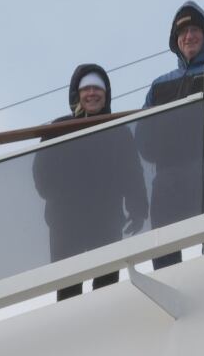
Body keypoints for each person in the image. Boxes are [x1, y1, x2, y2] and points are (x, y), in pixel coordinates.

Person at [32, 64, 148, 301]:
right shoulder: (59, 129)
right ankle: (70, 330)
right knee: (68, 286)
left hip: (105, 218)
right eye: (86, 89)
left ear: (106, 94)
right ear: (77, 94)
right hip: (66, 221)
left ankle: (103, 326)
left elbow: (132, 173)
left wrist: (138, 208)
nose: (92, 93)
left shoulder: (117, 131)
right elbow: (41, 174)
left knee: (106, 281)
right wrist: (60, 195)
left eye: (97, 88)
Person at [139, 1, 204, 270]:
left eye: (194, 30)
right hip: (168, 177)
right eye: (182, 32)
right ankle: (171, 284)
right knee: (164, 244)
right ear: (175, 40)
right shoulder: (160, 86)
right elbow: (143, 138)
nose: (188, 36)